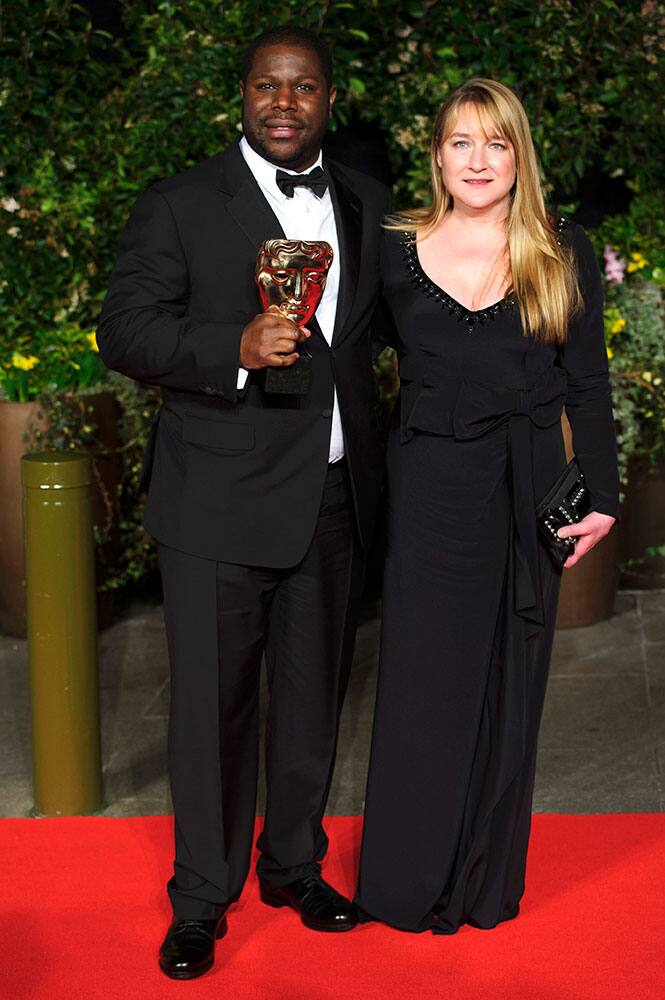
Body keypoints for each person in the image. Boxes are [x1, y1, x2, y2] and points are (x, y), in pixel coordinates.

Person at [97, 26, 389, 979]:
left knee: (311, 704)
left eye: (302, 88)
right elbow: (126, 330)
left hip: (334, 502)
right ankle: (200, 900)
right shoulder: (180, 203)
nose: (282, 102)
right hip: (217, 505)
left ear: (328, 102)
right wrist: (231, 345)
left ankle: (294, 866)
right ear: (242, 94)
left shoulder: (364, 202)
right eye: (267, 85)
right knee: (212, 713)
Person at [354, 78, 619, 934]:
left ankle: (481, 884)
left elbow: (588, 385)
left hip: (525, 492)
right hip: (428, 492)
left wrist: (602, 499)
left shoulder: (562, 251)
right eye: (461, 142)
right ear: (436, 155)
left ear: (518, 158)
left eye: (495, 144)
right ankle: (405, 883)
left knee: (510, 685)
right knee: (422, 686)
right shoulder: (391, 253)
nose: (477, 160)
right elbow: (352, 368)